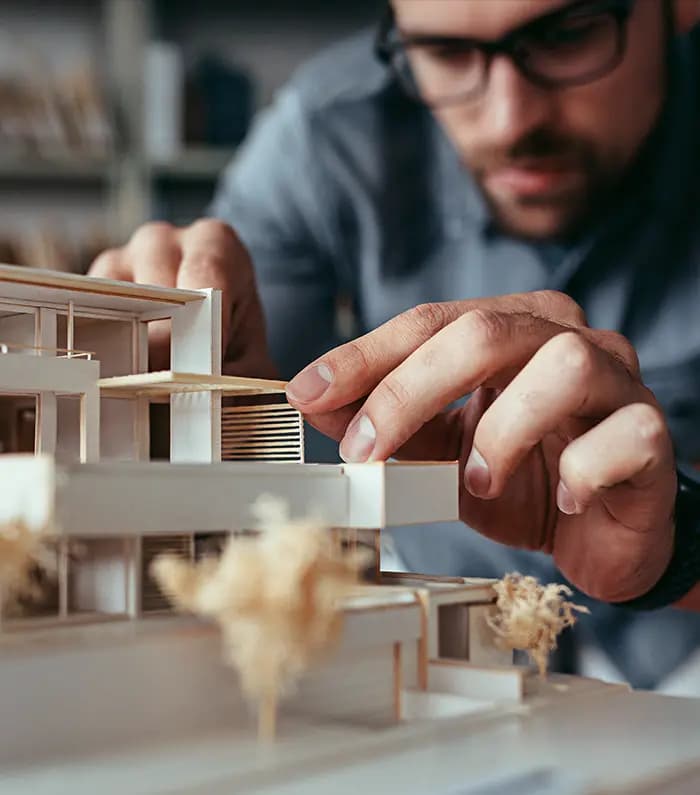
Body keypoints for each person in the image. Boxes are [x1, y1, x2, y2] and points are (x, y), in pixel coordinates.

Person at [90, 0, 700, 685]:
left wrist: (675, 551)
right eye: (444, 52)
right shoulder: (328, 129)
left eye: (568, 35)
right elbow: (242, 410)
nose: (510, 120)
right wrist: (187, 403)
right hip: (438, 655)